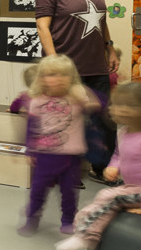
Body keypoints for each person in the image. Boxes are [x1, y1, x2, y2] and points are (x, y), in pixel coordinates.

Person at [35, 0, 120, 182]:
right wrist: (54, 62)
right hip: (66, 67)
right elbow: (43, 26)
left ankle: (100, 167)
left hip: (95, 64)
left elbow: (100, 20)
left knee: (103, 118)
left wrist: (110, 48)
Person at [56, 82, 141, 250]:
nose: (122, 109)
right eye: (118, 105)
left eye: (132, 106)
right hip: (134, 189)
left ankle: (86, 237)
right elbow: (119, 154)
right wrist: (113, 166)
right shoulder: (124, 132)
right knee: (105, 199)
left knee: (108, 196)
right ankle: (84, 229)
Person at [18, 54, 99, 236]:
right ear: (41, 79)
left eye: (64, 75)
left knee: (69, 193)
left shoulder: (76, 98)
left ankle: (68, 220)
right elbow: (32, 127)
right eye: (52, 74)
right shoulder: (37, 100)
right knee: (38, 190)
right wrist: (30, 150)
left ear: (72, 78)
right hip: (45, 155)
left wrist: (83, 95)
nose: (58, 79)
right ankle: (32, 219)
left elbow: (96, 106)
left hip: (71, 156)